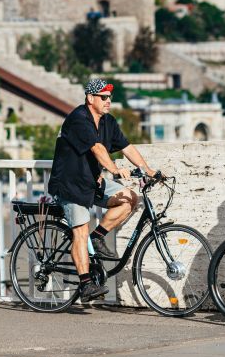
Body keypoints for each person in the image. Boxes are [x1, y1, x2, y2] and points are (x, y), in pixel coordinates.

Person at [48, 78, 158, 304]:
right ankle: (86, 283)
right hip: (70, 184)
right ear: (90, 98)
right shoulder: (78, 119)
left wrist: (148, 170)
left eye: (110, 98)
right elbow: (97, 148)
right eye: (103, 97)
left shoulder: (108, 122)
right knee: (80, 230)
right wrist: (114, 169)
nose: (108, 101)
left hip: (92, 182)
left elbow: (126, 147)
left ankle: (97, 237)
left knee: (130, 198)